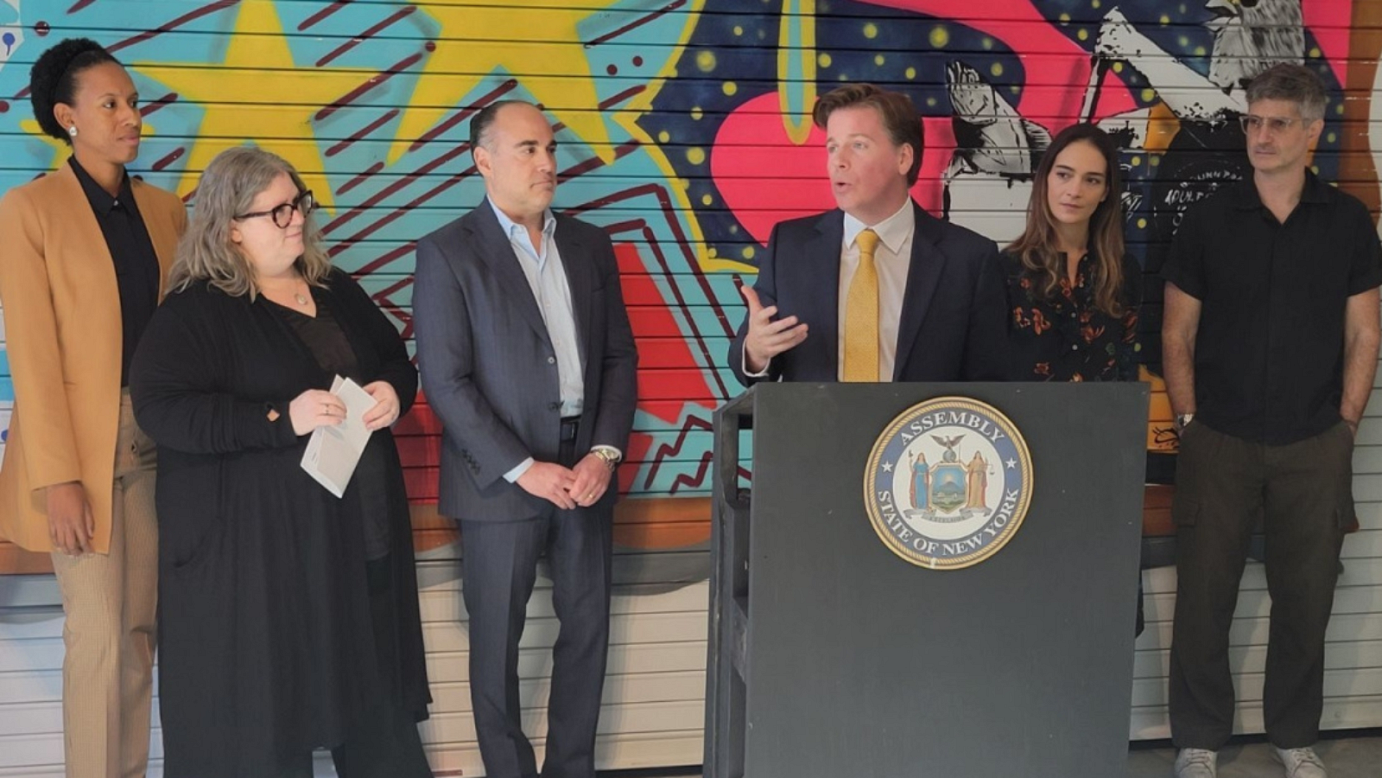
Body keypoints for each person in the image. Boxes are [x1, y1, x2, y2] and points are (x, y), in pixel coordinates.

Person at [128, 147, 432, 778]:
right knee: (266, 724)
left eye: (299, 202)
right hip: (263, 562)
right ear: (230, 226)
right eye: (279, 210)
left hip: (358, 538)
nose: (297, 219)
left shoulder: (333, 286)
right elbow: (163, 410)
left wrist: (392, 391)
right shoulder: (195, 310)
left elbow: (393, 358)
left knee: (378, 721)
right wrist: (277, 419)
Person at [1161, 64, 1382, 778]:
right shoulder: (1207, 219)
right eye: (1253, 121)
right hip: (1217, 438)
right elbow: (1176, 333)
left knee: (1307, 598)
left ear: (1313, 133)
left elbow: (1365, 335)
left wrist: (1345, 426)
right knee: (1202, 597)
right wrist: (1190, 417)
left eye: (1277, 123)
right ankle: (1198, 740)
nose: (1259, 135)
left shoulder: (1348, 221)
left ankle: (1295, 737)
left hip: (1314, 443)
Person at [412, 99, 638, 778]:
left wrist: (604, 450)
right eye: (528, 150)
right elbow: (446, 382)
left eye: (550, 148)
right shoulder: (448, 252)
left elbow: (618, 360)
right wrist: (521, 467)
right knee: (495, 648)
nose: (547, 163)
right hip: (499, 482)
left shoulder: (591, 246)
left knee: (588, 632)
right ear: (484, 161)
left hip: (587, 469)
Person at [0, 38, 186, 778]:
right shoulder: (29, 210)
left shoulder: (166, 210)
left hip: (159, 441)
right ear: (66, 116)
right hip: (80, 450)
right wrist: (59, 481)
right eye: (110, 103)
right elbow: (34, 360)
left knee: (138, 635)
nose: (130, 115)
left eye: (134, 102)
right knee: (102, 637)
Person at [729, 82, 1008, 385]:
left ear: (903, 158)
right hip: (816, 431)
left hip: (922, 432)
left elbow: (989, 384)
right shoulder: (791, 247)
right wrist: (756, 350)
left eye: (858, 145)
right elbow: (752, 366)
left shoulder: (968, 258)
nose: (838, 160)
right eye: (832, 147)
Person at [1002, 122, 1146, 634]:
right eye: (1064, 174)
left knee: (1099, 626)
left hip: (1101, 477)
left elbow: (1129, 380)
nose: (1074, 190)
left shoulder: (1124, 274)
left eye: (1091, 179)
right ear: (1044, 179)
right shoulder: (1003, 272)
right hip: (1024, 479)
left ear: (1107, 192)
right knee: (1029, 624)